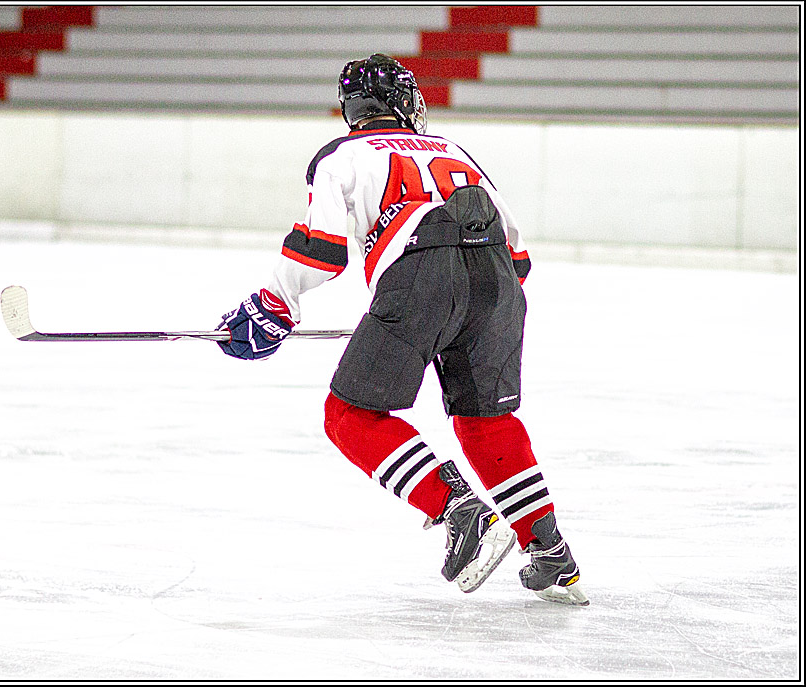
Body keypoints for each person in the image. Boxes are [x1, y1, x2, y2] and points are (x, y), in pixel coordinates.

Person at [216, 54, 588, 606]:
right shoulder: (454, 151)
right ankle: (550, 553)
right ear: (406, 102)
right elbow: (519, 255)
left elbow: (321, 250)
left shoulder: (340, 154)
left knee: (349, 415)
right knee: (487, 419)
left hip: (421, 279)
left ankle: (459, 510)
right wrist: (464, 309)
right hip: (498, 282)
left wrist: (275, 303)